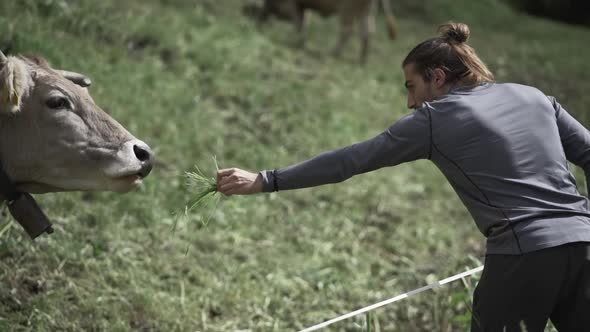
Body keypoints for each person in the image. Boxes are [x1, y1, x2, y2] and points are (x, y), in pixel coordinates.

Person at [216, 22, 590, 331]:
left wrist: (266, 179)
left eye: (412, 87)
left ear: (438, 77)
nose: (411, 102)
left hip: (522, 257)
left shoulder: (435, 119)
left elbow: (351, 160)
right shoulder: (536, 96)